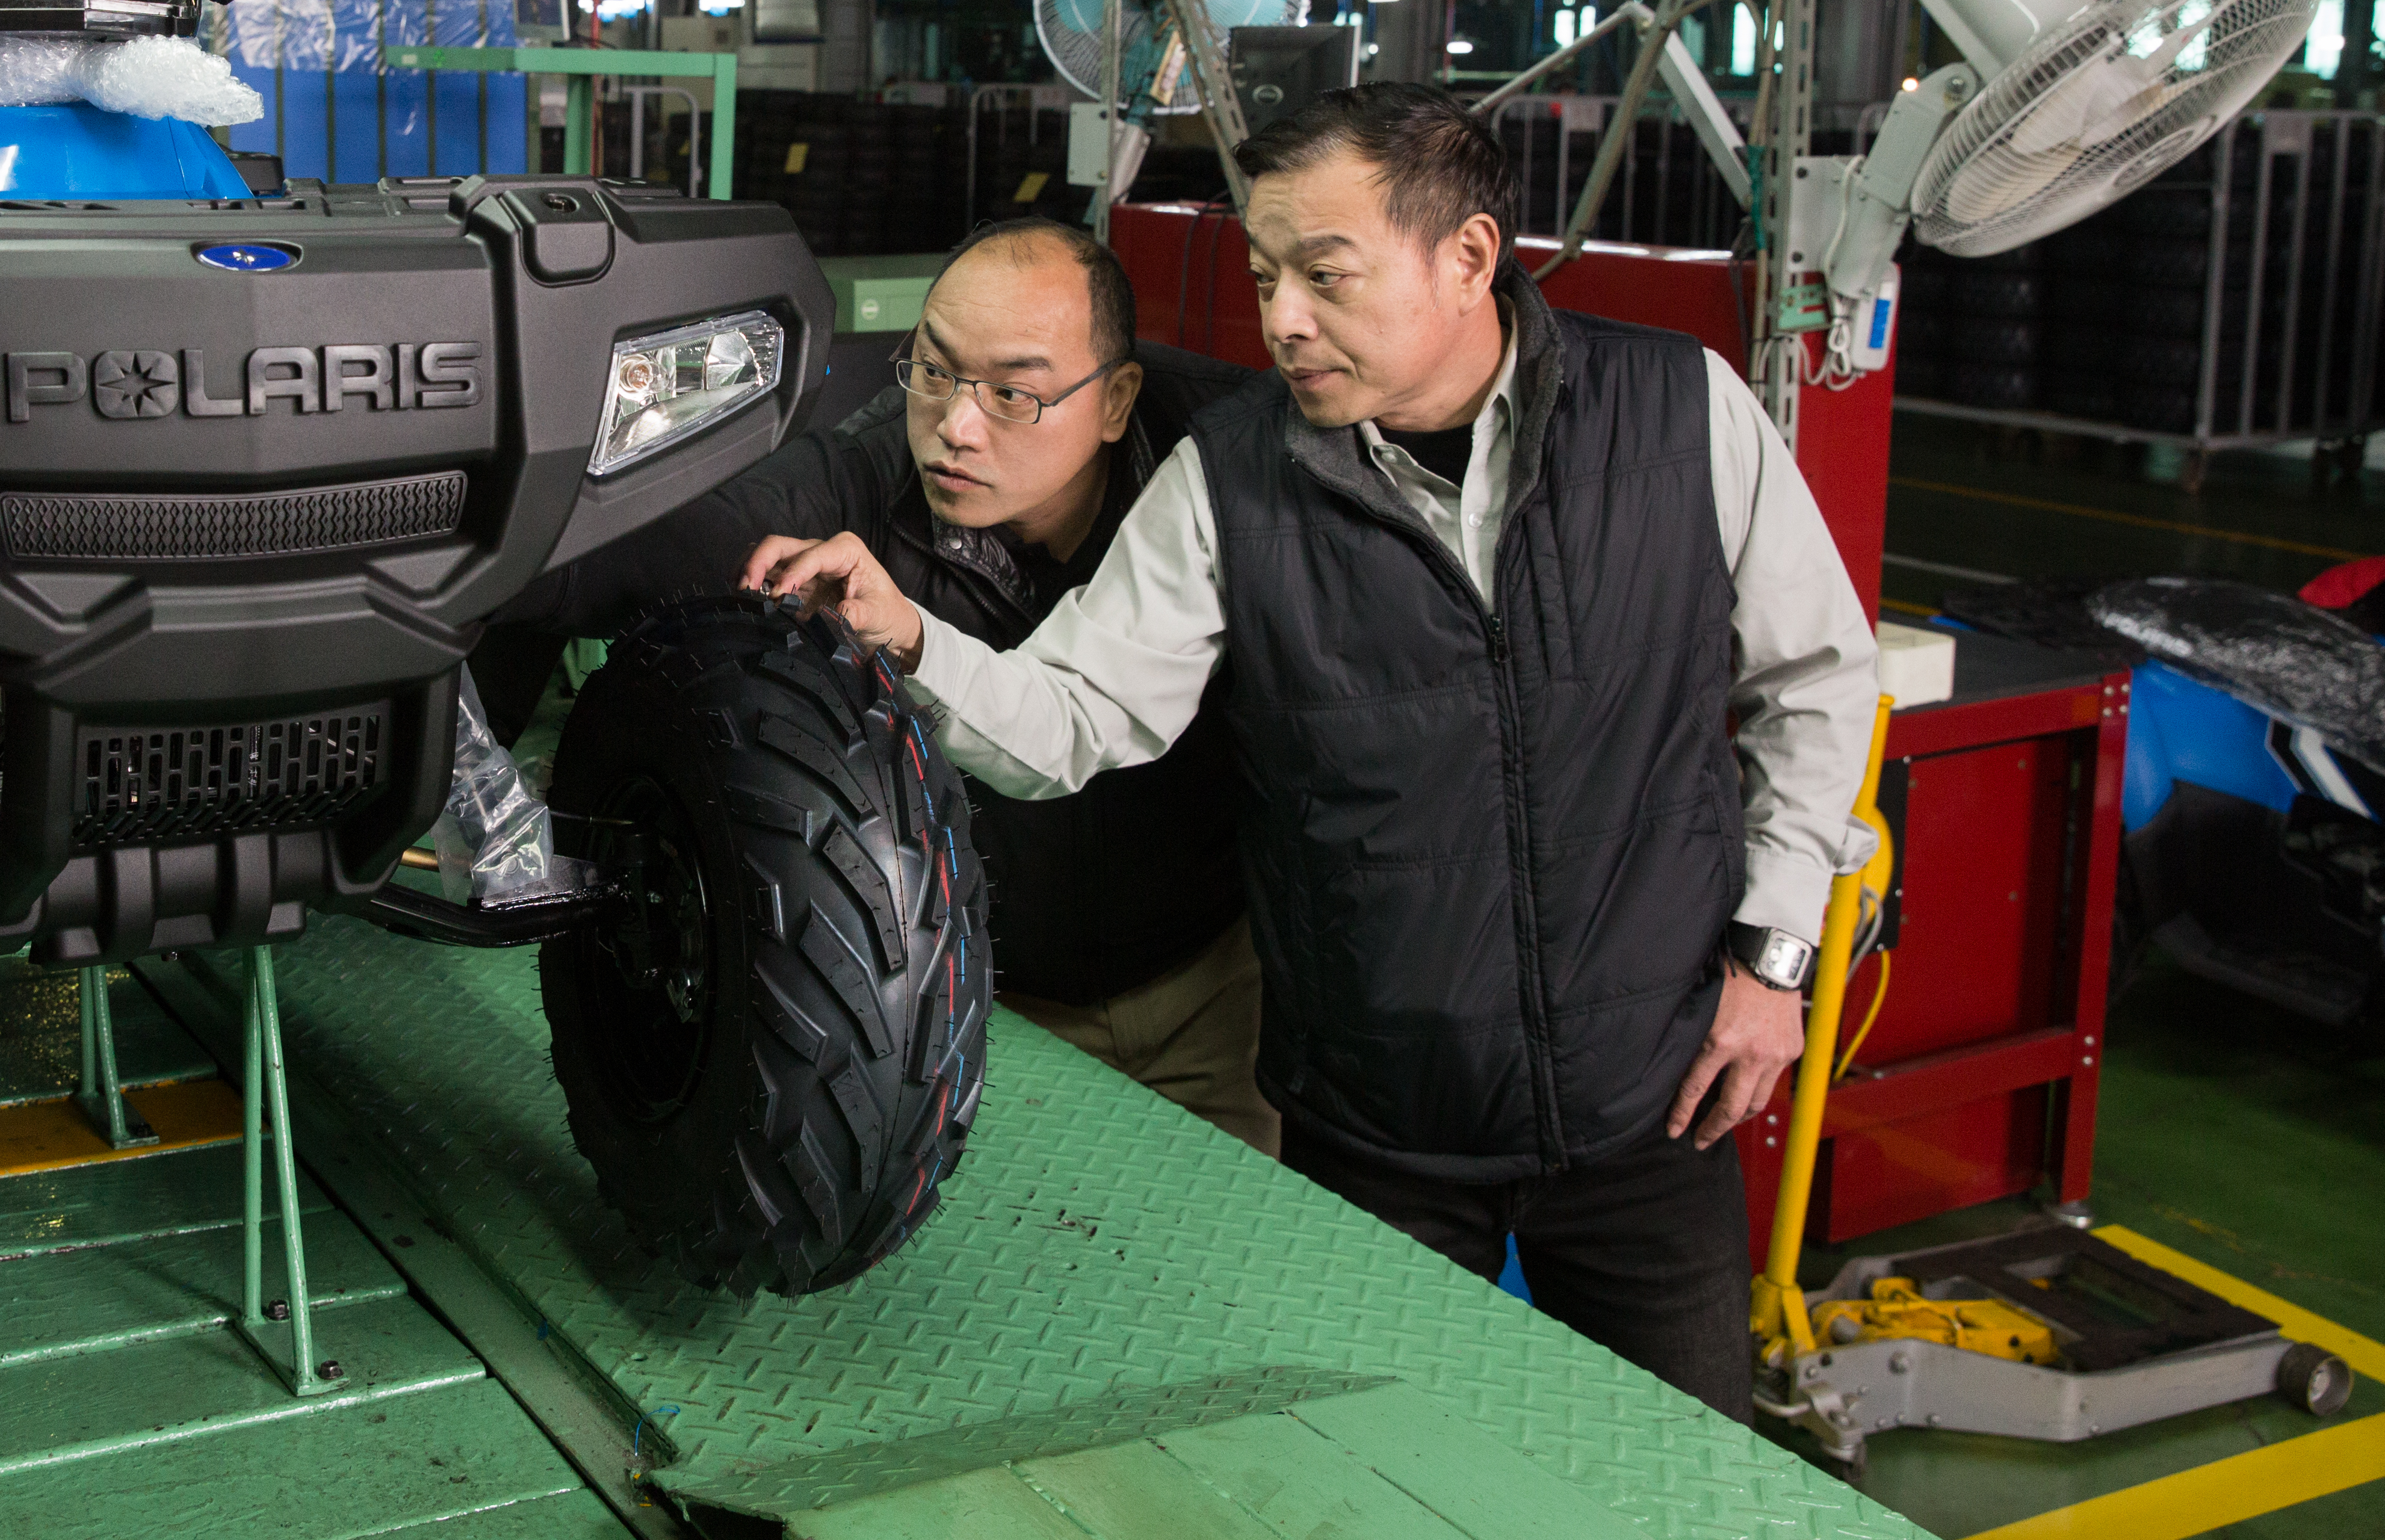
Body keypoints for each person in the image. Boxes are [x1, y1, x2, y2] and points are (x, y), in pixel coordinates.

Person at [747, 84, 1878, 1420]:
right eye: (1265, 274)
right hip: (1376, 1135)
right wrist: (911, 637)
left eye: (1324, 276)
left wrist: (1774, 959)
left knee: (1675, 1476)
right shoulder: (1231, 480)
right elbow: (1077, 715)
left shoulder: (1680, 413)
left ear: (1468, 256)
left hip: (1655, 1109)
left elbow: (1819, 677)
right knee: (1369, 1477)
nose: (1282, 318)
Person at [487, 215, 1280, 1156]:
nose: (956, 429)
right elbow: (687, 536)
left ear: (1115, 401)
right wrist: (483, 544)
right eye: (934, 371)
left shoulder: (1227, 468)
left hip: (1212, 998)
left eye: (1013, 394)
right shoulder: (869, 478)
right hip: (991, 1001)